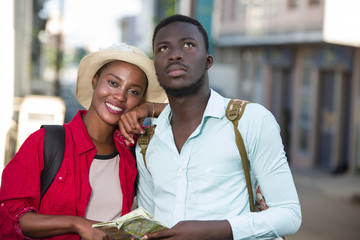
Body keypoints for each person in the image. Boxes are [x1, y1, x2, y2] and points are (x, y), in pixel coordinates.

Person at [120, 14, 302, 240]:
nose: (175, 54)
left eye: (188, 45)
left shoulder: (250, 120)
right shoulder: (147, 143)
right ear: (156, 68)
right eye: (163, 48)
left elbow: (289, 215)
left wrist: (215, 230)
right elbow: (149, 224)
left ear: (208, 61)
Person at [0, 43, 166, 240]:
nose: (120, 96)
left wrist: (148, 109)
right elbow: (11, 215)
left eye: (133, 92)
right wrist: (77, 224)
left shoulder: (134, 147)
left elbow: (191, 117)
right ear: (95, 80)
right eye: (113, 83)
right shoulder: (46, 143)